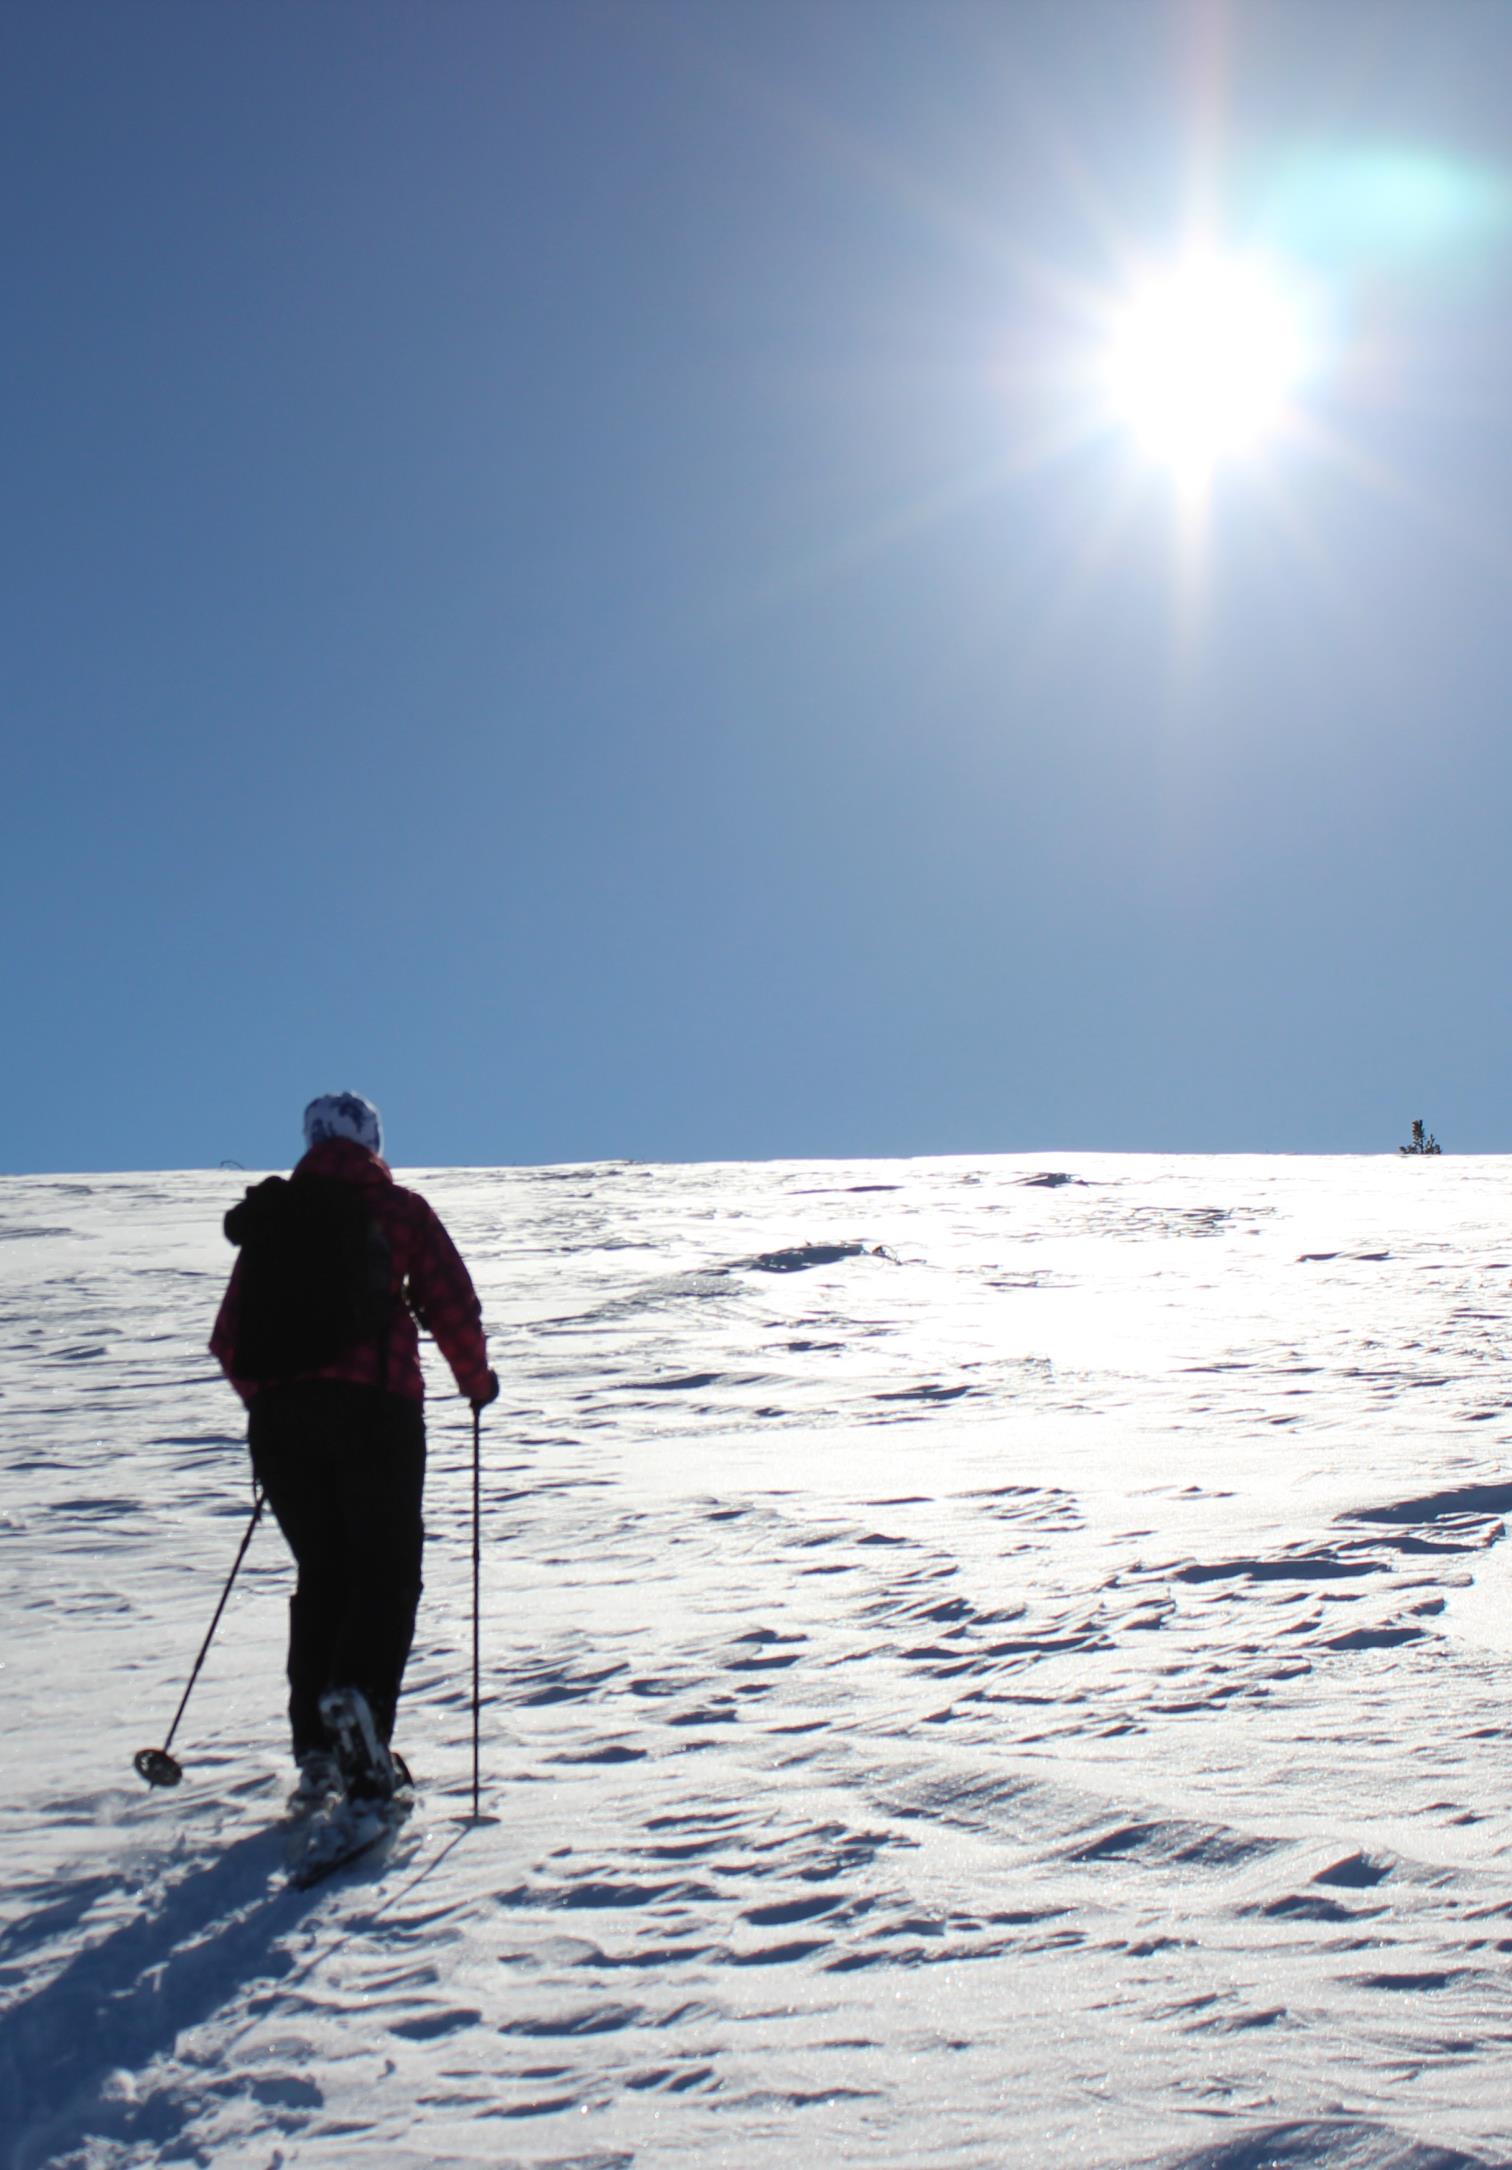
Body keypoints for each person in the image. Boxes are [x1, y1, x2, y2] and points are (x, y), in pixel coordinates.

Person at [211, 1091, 497, 1806]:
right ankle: (359, 1710)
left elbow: (228, 1339)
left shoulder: (275, 1219)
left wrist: (275, 1402)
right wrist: (476, 1381)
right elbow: (449, 1301)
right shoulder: (397, 1209)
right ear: (373, 1139)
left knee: (324, 1577)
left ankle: (316, 1751)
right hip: (378, 1409)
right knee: (386, 1573)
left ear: (310, 1142)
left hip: (282, 1427)